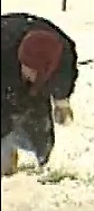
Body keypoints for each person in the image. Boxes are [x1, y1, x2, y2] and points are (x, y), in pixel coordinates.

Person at [1, 12, 79, 176]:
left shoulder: (62, 55)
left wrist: (61, 102)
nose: (25, 71)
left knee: (40, 136)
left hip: (36, 72)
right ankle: (7, 168)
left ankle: (42, 162)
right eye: (24, 65)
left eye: (30, 68)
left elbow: (64, 78)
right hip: (5, 62)